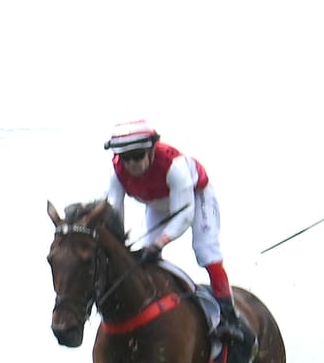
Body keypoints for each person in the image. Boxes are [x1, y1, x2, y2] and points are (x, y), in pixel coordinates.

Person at [103, 120, 252, 351]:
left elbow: (183, 215)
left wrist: (161, 242)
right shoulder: (117, 173)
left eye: (137, 155)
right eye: (125, 158)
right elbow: (114, 214)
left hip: (195, 198)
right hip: (156, 203)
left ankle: (229, 317)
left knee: (206, 252)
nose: (132, 163)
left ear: (152, 149)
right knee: (143, 256)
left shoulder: (175, 166)